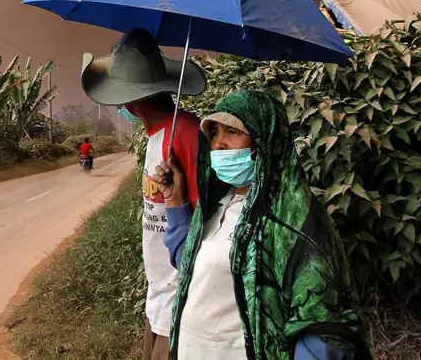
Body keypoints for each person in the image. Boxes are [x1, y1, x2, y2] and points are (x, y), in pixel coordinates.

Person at [155, 90, 370, 360]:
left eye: (232, 132)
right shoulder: (217, 205)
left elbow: (320, 320)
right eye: (214, 134)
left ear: (264, 139)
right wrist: (176, 202)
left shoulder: (293, 218)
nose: (219, 144)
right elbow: (191, 267)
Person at [81, 28, 207, 360]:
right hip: (159, 292)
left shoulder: (186, 134)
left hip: (181, 294)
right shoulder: (156, 138)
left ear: (129, 97)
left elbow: (203, 222)